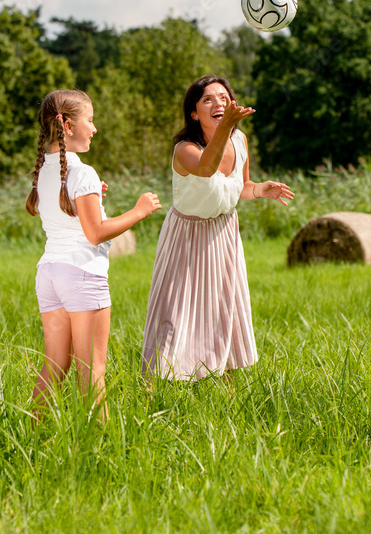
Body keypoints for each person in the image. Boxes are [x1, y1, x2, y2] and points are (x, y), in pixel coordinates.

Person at [141, 75, 294, 381]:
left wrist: (260, 189)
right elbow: (206, 169)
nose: (218, 103)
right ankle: (151, 390)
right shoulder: (185, 149)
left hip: (224, 233)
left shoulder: (240, 140)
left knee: (225, 310)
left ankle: (226, 390)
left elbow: (240, 186)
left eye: (223, 97)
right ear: (194, 113)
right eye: (207, 99)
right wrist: (226, 127)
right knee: (173, 313)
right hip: (186, 235)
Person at [25, 89, 161, 420]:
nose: (95, 128)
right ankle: (99, 448)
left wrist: (90, 196)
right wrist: (140, 211)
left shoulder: (43, 170)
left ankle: (31, 433)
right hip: (83, 274)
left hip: (50, 274)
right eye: (90, 119)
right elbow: (95, 233)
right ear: (68, 125)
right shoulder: (82, 171)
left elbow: (61, 214)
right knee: (92, 370)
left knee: (55, 365)